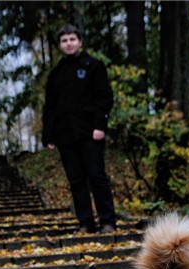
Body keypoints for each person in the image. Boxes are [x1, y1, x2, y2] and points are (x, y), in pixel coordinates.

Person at [42, 24, 117, 234]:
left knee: (96, 176)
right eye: (64, 41)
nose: (69, 44)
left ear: (80, 42)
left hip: (90, 132)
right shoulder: (56, 74)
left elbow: (105, 97)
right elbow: (50, 106)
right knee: (76, 180)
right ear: (60, 45)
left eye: (72, 39)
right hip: (65, 134)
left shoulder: (94, 66)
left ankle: (108, 221)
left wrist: (100, 125)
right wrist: (48, 133)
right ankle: (85, 223)